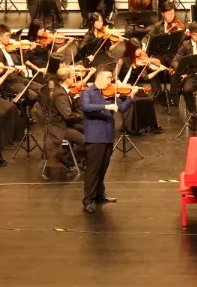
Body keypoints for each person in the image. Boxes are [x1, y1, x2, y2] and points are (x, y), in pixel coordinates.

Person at [80, 70, 133, 213]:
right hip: (95, 137)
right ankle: (88, 200)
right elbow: (86, 107)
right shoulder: (87, 92)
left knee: (103, 168)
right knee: (93, 170)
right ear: (99, 78)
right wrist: (106, 106)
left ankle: (99, 195)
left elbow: (121, 108)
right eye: (109, 78)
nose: (111, 81)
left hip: (108, 136)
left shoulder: (110, 93)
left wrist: (131, 97)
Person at [42, 66, 86, 168]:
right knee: (86, 142)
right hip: (59, 127)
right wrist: (83, 117)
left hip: (63, 123)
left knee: (89, 131)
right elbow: (68, 115)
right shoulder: (60, 94)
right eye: (73, 77)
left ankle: (85, 161)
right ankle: (66, 160)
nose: (74, 79)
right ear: (67, 80)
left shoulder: (61, 89)